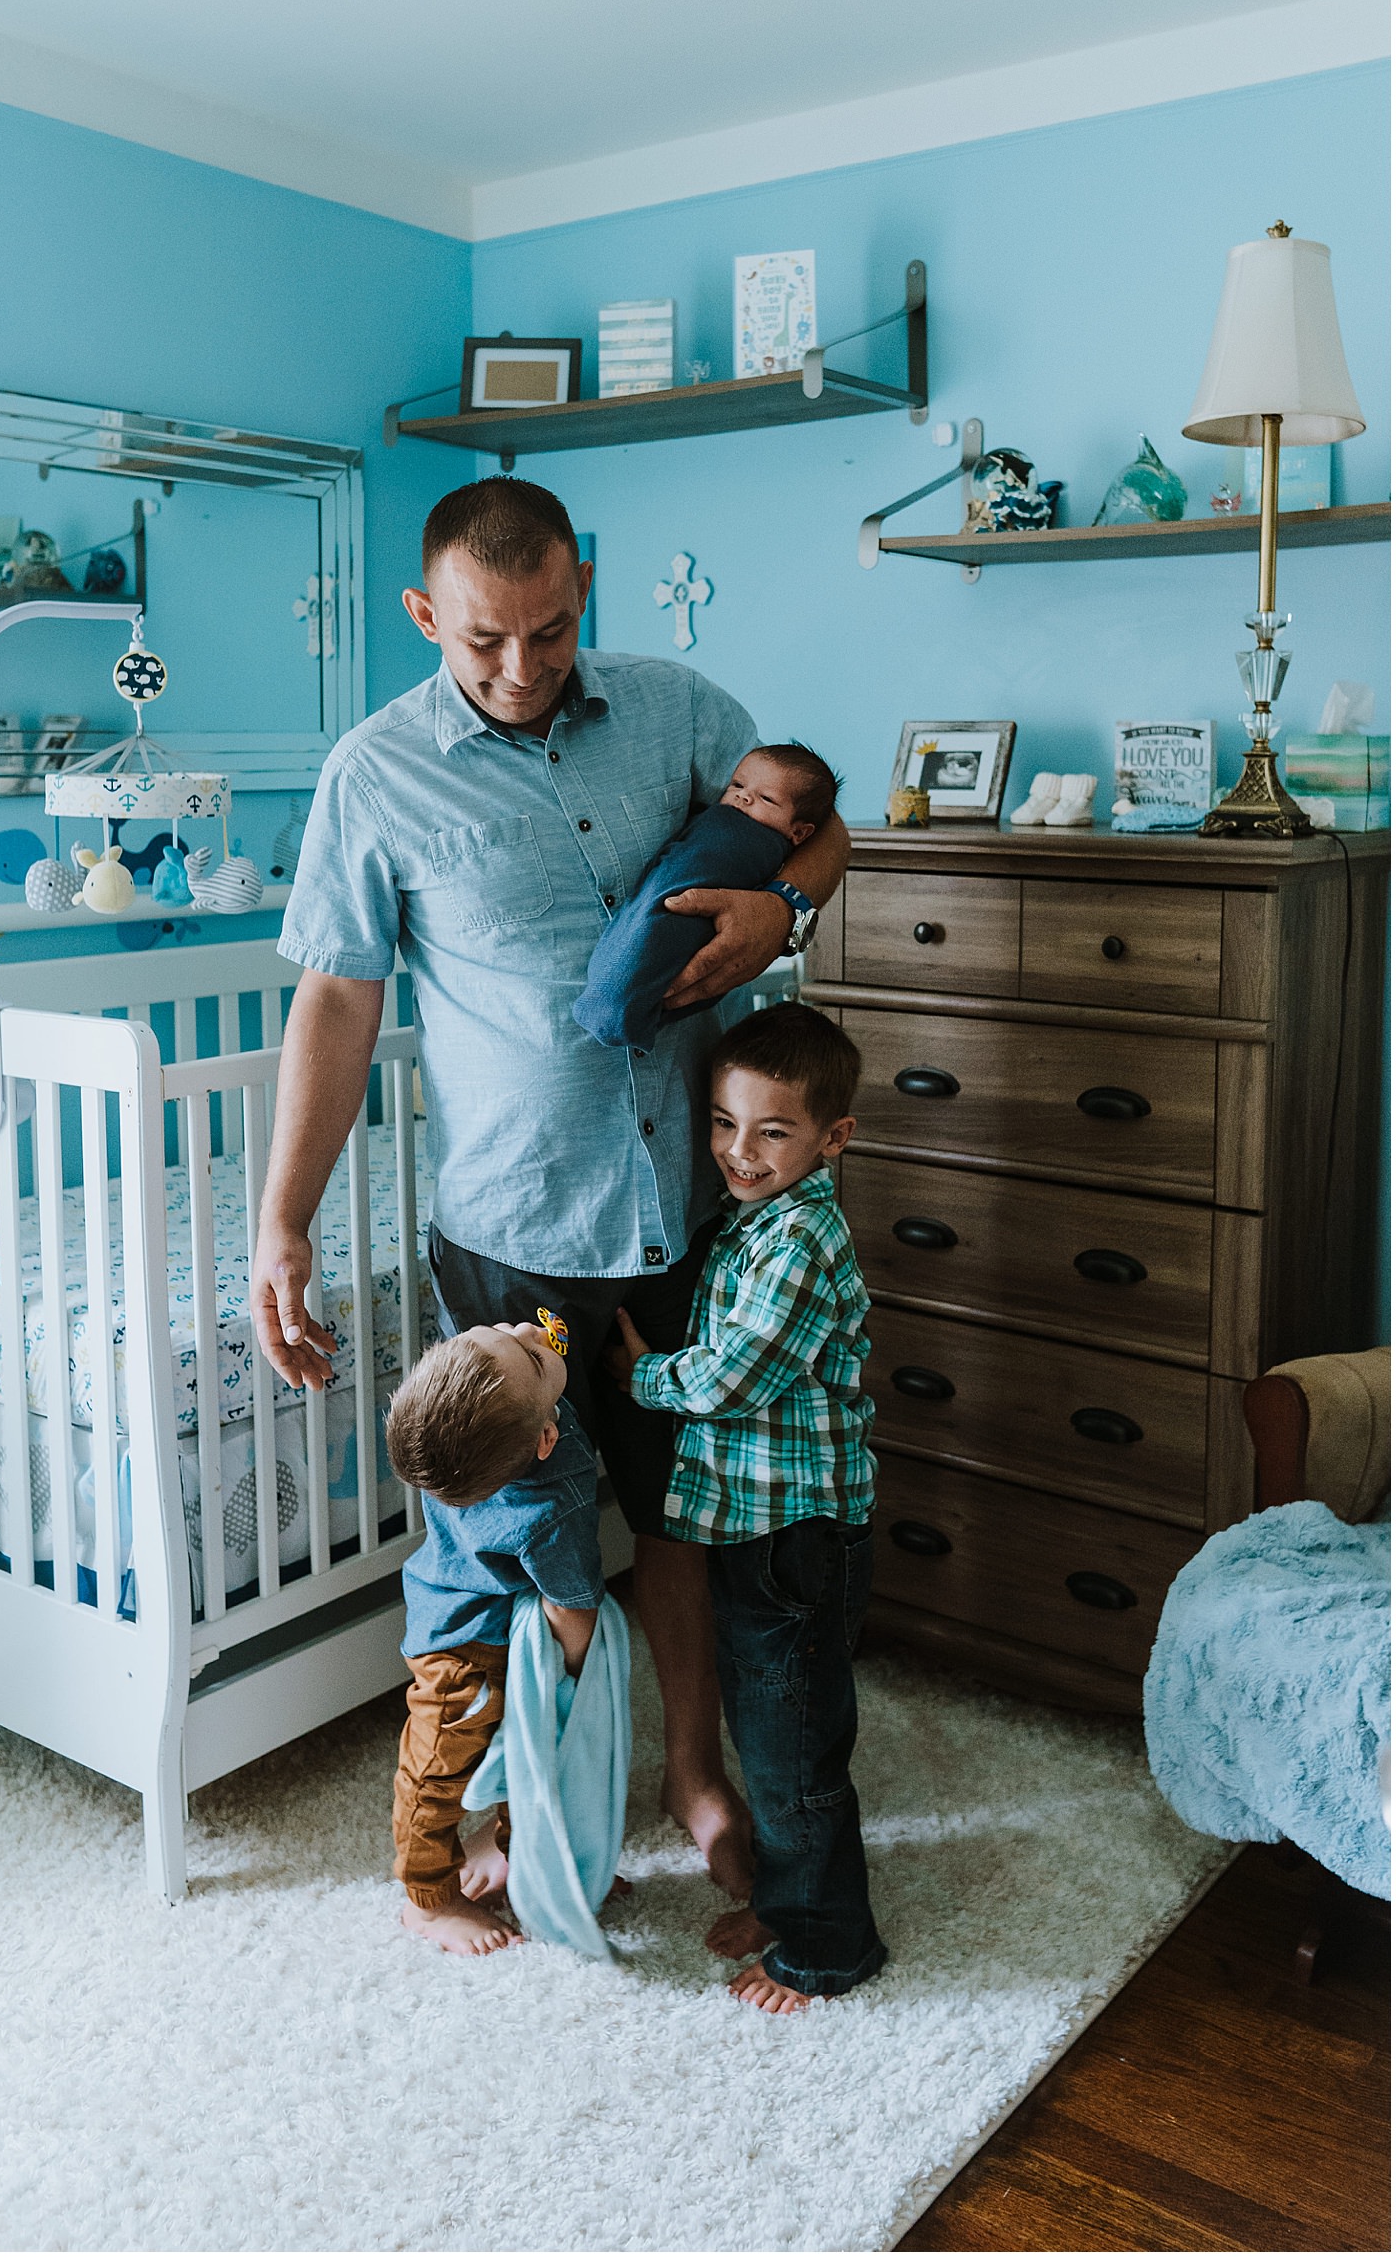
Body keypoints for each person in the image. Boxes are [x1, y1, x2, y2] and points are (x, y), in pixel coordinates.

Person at [250, 475, 850, 1896]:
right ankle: (530, 1792)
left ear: (585, 583)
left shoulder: (683, 709)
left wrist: (789, 903)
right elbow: (337, 1002)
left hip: (694, 1211)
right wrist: (282, 1223)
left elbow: (821, 827)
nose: (522, 668)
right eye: (482, 641)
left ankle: (695, 1771)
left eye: (552, 629)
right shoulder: (375, 772)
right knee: (531, 1537)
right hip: (515, 1239)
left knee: (686, 1517)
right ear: (424, 614)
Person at [607, 1002, 887, 2014]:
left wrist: (644, 1379)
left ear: (830, 1139)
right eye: (724, 1125)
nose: (739, 1151)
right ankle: (784, 1896)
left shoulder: (801, 1240)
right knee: (772, 1734)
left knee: (794, 1756)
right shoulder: (749, 1219)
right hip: (753, 1529)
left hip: (797, 1538)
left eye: (771, 1131)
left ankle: (826, 1947)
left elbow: (735, 1372)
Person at [384, 1316, 606, 1955]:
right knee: (434, 1773)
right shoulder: (551, 1502)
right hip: (463, 1649)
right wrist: (574, 1675)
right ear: (545, 1439)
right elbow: (572, 1603)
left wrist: (530, 1362)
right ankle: (428, 1900)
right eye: (531, 1358)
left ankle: (529, 1865)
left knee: (528, 1758)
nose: (527, 1330)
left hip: (499, 1623)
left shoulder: (454, 1446)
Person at [572, 742, 841, 1052]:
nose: (744, 796)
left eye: (766, 798)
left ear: (799, 833)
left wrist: (780, 908)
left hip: (701, 1055)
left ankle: (618, 1005)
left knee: (664, 940)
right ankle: (619, 1002)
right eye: (737, 785)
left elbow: (833, 834)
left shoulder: (756, 839)